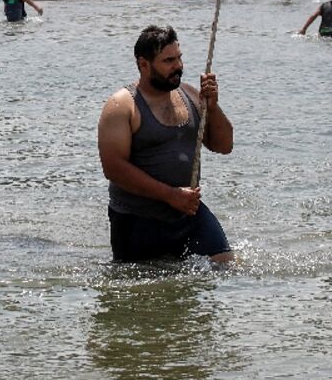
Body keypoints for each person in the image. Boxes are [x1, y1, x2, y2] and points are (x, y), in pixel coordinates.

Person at [97, 25, 234, 263]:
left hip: (188, 213)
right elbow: (113, 168)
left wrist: (212, 107)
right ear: (144, 65)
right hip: (137, 218)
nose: (178, 66)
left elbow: (224, 146)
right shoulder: (122, 106)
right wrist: (170, 195)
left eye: (179, 58)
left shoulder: (190, 95)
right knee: (145, 288)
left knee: (225, 264)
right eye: (168, 60)